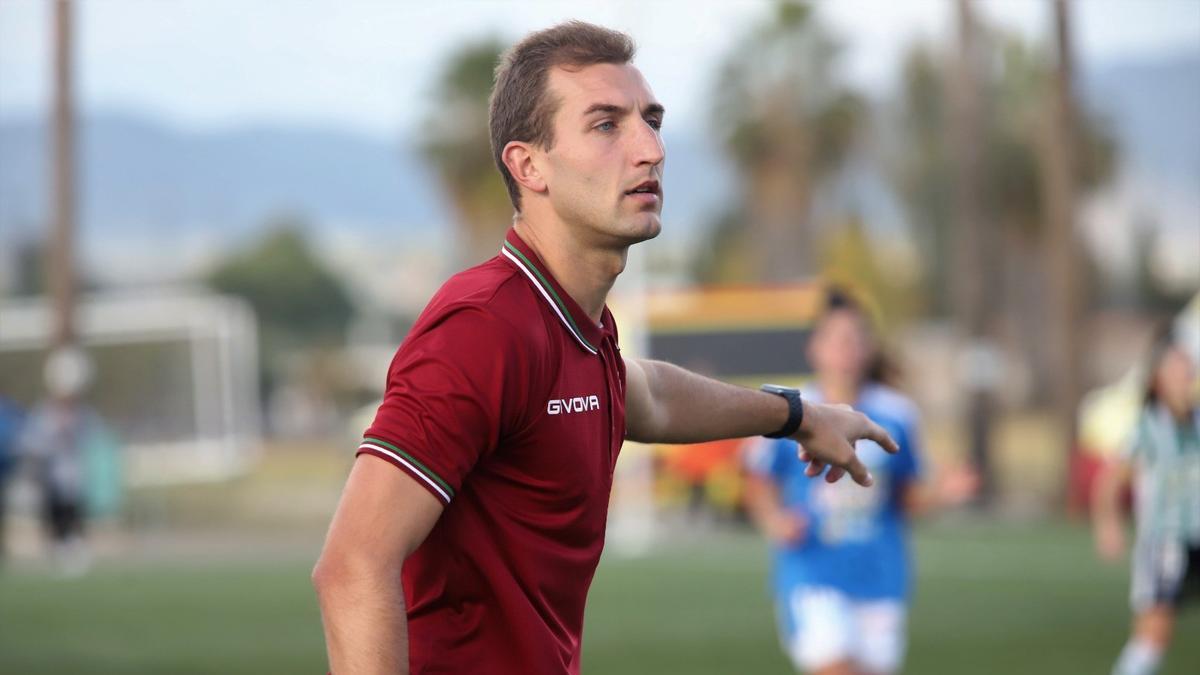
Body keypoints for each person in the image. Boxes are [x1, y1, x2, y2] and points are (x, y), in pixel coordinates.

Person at [312, 22, 898, 675]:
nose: (650, 149)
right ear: (528, 165)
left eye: (652, 120)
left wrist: (799, 416)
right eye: (606, 125)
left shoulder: (578, 329)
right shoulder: (482, 329)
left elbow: (646, 393)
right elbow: (352, 566)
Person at [743, 289, 973, 675]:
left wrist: (944, 494)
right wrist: (775, 521)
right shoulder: (792, 412)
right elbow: (758, 484)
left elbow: (907, 497)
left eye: (855, 340)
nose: (846, 351)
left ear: (868, 349)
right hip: (812, 572)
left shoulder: (896, 413)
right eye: (837, 340)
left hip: (879, 575)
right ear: (815, 348)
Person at [1093, 324, 1200, 675]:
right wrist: (1108, 525)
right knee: (1154, 634)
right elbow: (1108, 482)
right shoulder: (1149, 427)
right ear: (1157, 379)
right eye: (1177, 368)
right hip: (1164, 541)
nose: (1186, 374)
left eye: (1189, 367)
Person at [18, 346, 99, 576]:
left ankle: (75, 555)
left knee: (75, 518)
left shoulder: (82, 414)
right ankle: (59, 554)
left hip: (74, 478)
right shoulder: (44, 413)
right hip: (51, 479)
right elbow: (33, 443)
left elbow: (89, 438)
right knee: (54, 520)